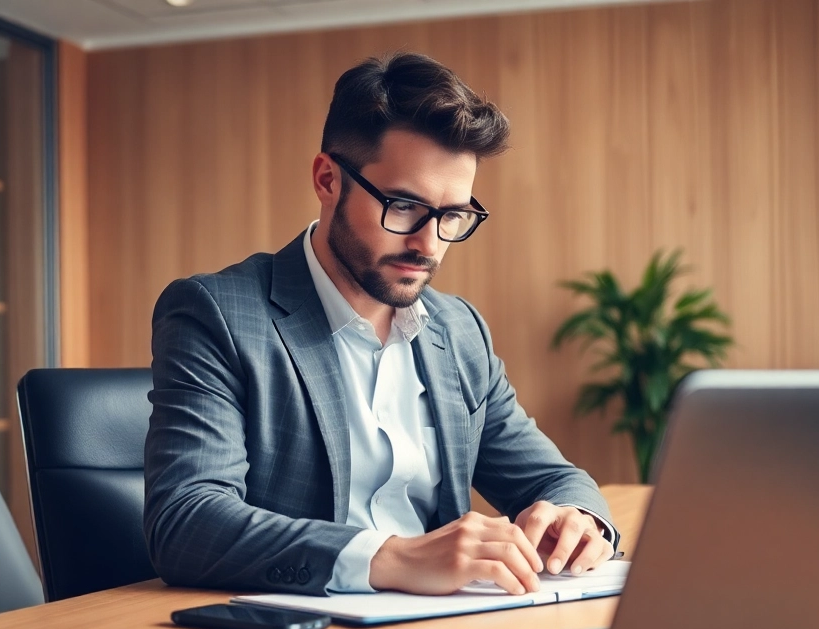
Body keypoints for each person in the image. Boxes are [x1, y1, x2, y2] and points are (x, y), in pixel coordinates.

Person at [144, 52, 619, 597]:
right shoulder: (218, 313)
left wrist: (577, 519)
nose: (428, 243)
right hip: (303, 628)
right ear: (328, 180)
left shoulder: (459, 331)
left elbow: (552, 478)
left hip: (447, 622)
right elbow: (186, 521)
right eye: (403, 206)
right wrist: (392, 557)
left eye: (452, 216)